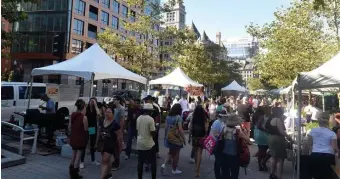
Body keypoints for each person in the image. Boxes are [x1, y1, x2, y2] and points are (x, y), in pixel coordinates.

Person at [308, 112, 339, 179]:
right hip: (328, 156)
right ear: (328, 121)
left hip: (315, 155)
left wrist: (311, 153)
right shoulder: (332, 133)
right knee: (327, 176)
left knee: (316, 176)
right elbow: (334, 148)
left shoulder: (312, 131)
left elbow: (310, 145)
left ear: (318, 121)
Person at [219, 114, 249, 179]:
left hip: (224, 155)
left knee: (225, 174)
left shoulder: (224, 130)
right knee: (234, 175)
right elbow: (248, 139)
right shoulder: (238, 132)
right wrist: (243, 129)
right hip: (234, 157)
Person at [267, 108, 292, 179]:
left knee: (273, 156)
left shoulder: (270, 119)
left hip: (271, 138)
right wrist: (289, 137)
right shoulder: (277, 119)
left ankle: (272, 174)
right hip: (278, 139)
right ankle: (279, 176)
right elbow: (281, 131)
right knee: (280, 159)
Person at [160, 103, 186, 175]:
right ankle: (174, 169)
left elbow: (166, 128)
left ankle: (164, 164)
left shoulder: (168, 116)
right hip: (176, 138)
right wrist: (184, 139)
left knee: (170, 152)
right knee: (176, 153)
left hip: (169, 136)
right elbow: (180, 129)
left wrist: (166, 136)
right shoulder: (178, 117)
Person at [96, 107, 120, 179]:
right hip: (101, 143)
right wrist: (96, 142)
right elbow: (98, 132)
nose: (107, 113)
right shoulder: (101, 120)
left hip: (110, 144)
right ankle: (109, 174)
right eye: (106, 112)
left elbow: (119, 134)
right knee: (107, 160)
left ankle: (102, 177)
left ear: (113, 114)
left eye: (109, 112)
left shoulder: (115, 123)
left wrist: (119, 144)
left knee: (104, 161)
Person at [136, 103, 157, 179]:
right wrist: (156, 129)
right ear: (150, 111)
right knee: (153, 163)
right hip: (149, 144)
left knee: (140, 162)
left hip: (140, 143)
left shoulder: (138, 118)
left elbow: (137, 130)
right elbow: (152, 133)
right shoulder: (150, 119)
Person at [69, 99, 88, 179]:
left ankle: (71, 170)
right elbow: (86, 129)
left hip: (73, 137)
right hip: (80, 138)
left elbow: (69, 127)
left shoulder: (72, 115)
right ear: (83, 107)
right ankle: (75, 174)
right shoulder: (84, 117)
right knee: (78, 156)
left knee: (73, 155)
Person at [80, 97, 101, 169]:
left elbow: (99, 114)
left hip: (92, 127)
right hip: (86, 127)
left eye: (93, 101)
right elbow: (82, 115)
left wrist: (95, 105)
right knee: (84, 144)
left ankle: (93, 159)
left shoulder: (95, 108)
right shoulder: (87, 107)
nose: (92, 102)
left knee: (92, 143)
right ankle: (82, 161)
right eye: (91, 101)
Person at [190, 105, 209, 178]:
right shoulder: (204, 118)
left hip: (194, 136)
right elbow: (206, 128)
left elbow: (191, 127)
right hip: (202, 136)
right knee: (199, 152)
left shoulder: (193, 117)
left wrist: (189, 137)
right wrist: (206, 135)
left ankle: (196, 166)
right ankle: (198, 170)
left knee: (195, 151)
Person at [210, 109, 228, 179]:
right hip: (217, 143)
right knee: (218, 160)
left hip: (219, 143)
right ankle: (217, 175)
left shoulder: (221, 122)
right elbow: (215, 134)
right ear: (222, 117)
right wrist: (222, 135)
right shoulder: (217, 122)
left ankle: (220, 174)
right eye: (225, 117)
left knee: (219, 160)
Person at [253, 106, 271, 171]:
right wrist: (266, 130)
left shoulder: (257, 115)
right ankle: (262, 163)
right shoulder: (261, 116)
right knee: (264, 150)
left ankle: (261, 164)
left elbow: (256, 125)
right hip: (263, 135)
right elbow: (259, 126)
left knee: (262, 150)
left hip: (259, 134)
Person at [112, 96, 125, 170]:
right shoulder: (115, 108)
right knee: (115, 146)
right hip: (113, 129)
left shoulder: (121, 109)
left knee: (118, 146)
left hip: (118, 130)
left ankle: (116, 162)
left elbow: (122, 120)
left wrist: (120, 131)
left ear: (118, 101)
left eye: (115, 99)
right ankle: (115, 161)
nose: (113, 100)